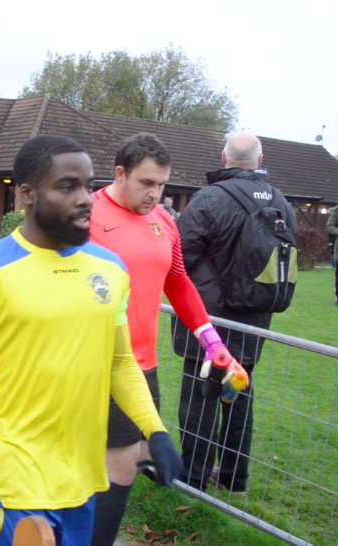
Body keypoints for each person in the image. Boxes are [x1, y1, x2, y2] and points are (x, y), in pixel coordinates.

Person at [0, 135, 181, 546]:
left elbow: (119, 362)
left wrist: (155, 431)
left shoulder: (110, 270)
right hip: (12, 480)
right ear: (26, 194)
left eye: (87, 185)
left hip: (82, 477)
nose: (86, 199)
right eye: (67, 187)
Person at [87, 133, 241, 546]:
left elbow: (178, 282)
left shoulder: (165, 223)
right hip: (96, 362)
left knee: (130, 458)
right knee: (119, 468)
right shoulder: (87, 215)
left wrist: (211, 340)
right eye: (146, 183)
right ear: (120, 173)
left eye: (161, 185)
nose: (155, 193)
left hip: (144, 365)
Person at [174, 131, 296, 494]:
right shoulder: (282, 202)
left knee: (201, 396)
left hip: (208, 318)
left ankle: (193, 479)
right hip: (254, 315)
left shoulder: (209, 199)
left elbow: (181, 254)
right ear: (260, 161)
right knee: (240, 393)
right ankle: (233, 478)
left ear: (223, 159)